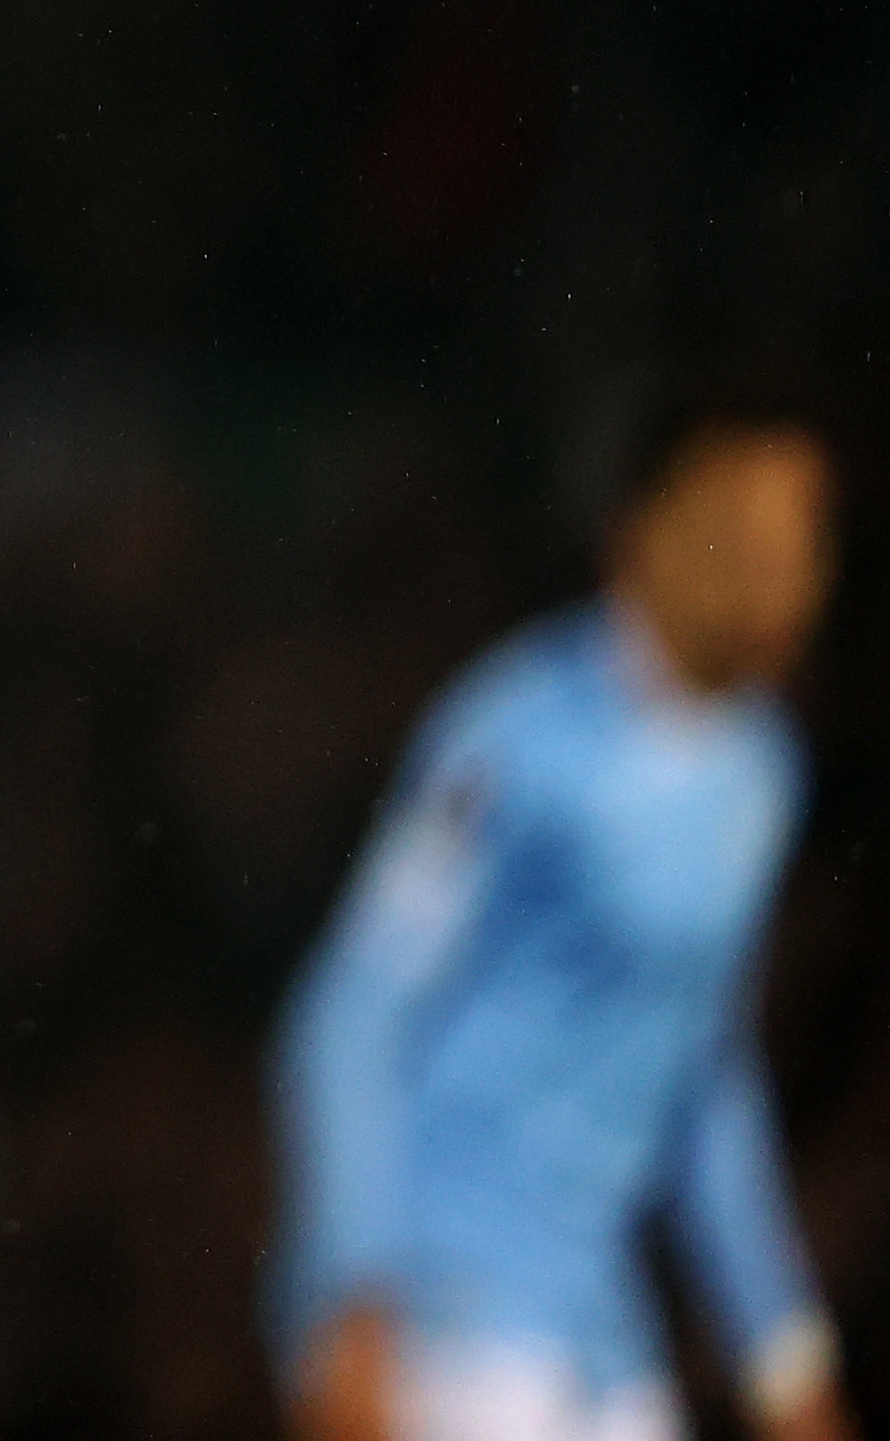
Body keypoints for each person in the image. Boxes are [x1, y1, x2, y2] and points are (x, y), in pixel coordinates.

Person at [272, 377, 850, 1441]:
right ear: (643, 532)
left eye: (803, 530)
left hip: (595, 1331)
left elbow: (704, 1069)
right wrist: (350, 1297)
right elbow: (352, 1011)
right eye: (740, 525)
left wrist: (782, 1347)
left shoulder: (762, 772)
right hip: (450, 1320)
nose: (778, 564)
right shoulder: (516, 738)